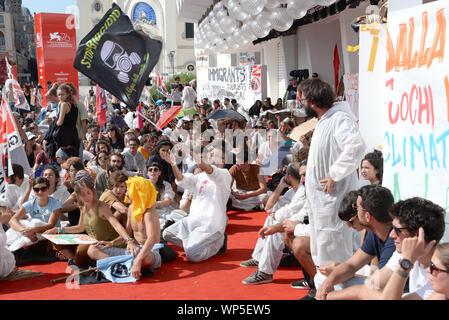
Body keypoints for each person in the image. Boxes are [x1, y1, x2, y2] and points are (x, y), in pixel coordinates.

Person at [298, 78, 366, 279]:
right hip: (322, 203)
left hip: (332, 201)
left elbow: (356, 146)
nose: (301, 104)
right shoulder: (326, 119)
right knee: (324, 254)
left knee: (335, 254)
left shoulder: (339, 119)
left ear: (312, 102)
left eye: (302, 100)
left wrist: (334, 174)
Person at [329, 197, 446, 300]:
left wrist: (406, 262)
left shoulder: (440, 272)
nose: (392, 235)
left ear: (418, 236)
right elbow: (368, 287)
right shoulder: (403, 253)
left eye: (398, 230)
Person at [315, 184, 396, 300]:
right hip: (378, 285)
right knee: (322, 279)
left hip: (398, 293)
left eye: (357, 208)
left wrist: (330, 296)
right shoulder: (376, 232)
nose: (355, 211)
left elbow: (376, 286)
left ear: (367, 216)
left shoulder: (395, 239)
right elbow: (351, 265)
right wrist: (328, 282)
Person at [43, 170, 135, 266]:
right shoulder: (83, 206)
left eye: (88, 193)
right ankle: (75, 260)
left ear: (93, 192)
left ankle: (76, 261)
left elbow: (116, 224)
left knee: (81, 250)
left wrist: (129, 240)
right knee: (55, 239)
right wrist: (57, 230)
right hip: (91, 241)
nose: (86, 197)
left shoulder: (101, 206)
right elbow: (80, 227)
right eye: (83, 194)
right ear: (78, 196)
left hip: (105, 244)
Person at [161, 141, 232, 262]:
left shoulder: (225, 175)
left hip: (210, 225)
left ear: (223, 161)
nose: (211, 156)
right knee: (167, 234)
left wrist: (189, 151)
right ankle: (195, 242)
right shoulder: (199, 176)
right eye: (210, 154)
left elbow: (209, 169)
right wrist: (173, 163)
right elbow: (181, 179)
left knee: (191, 255)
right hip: (192, 221)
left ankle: (218, 243)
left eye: (215, 155)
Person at [240, 162, 307, 285]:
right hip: (299, 227)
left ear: (290, 177)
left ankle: (265, 272)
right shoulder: (292, 192)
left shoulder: (303, 192)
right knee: (272, 220)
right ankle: (259, 258)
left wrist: (276, 216)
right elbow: (269, 208)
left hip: (306, 231)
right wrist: (280, 186)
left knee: (278, 226)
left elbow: (284, 213)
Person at [86, 176, 162, 280]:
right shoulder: (131, 208)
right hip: (133, 251)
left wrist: (138, 260)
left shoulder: (149, 212)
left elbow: (152, 238)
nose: (126, 193)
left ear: (137, 192)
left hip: (150, 252)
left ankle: (119, 265)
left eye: (128, 190)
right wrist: (111, 243)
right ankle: (115, 265)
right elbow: (127, 235)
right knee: (92, 249)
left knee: (146, 259)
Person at [382, 241, 449, 300]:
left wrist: (407, 260)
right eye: (430, 264)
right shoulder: (441, 294)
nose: (428, 270)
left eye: (433, 267)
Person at [9, 177, 62, 245]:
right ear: (33, 191)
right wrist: (24, 231)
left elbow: (51, 225)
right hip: (33, 234)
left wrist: (33, 230)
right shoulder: (30, 203)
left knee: (34, 223)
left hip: (51, 234)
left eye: (43, 189)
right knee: (20, 224)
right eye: (36, 189)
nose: (40, 192)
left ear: (48, 189)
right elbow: (12, 220)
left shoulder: (55, 203)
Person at [229, 147, 268, 211]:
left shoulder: (257, 169)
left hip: (254, 194)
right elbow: (228, 187)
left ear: (246, 162)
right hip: (240, 193)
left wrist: (247, 196)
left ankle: (244, 206)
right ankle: (254, 207)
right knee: (228, 197)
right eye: (236, 161)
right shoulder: (234, 168)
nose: (236, 164)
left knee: (265, 197)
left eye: (239, 162)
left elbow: (264, 189)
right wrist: (234, 193)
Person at [146, 162, 177, 229]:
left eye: (155, 169)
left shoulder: (165, 184)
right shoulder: (142, 184)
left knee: (177, 216)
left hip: (165, 211)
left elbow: (167, 201)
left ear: (159, 172)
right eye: (150, 170)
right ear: (147, 173)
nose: (153, 171)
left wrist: (155, 204)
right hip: (149, 211)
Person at [53, 84, 80, 156]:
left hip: (64, 135)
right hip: (74, 133)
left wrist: (53, 124)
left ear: (68, 94)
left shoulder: (64, 104)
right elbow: (77, 122)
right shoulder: (75, 105)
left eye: (62, 94)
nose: (60, 97)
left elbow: (60, 122)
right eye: (58, 95)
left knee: (62, 157)